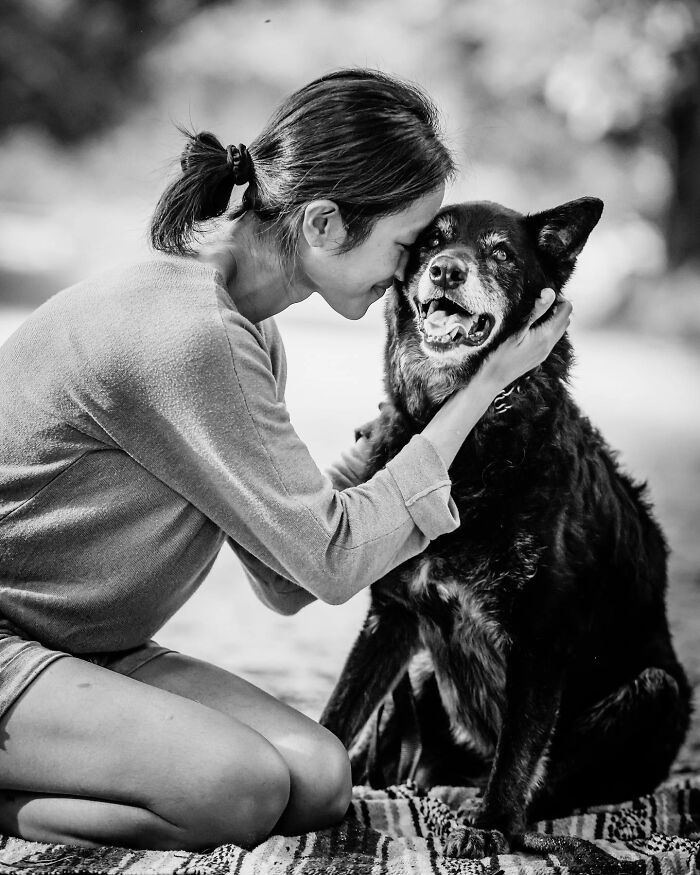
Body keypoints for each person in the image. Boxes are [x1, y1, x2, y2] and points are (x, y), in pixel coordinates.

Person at [0, 69, 571, 852]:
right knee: (244, 789)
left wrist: (386, 448)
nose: (411, 274)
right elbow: (334, 564)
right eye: (410, 245)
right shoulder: (193, 333)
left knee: (319, 777)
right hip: (10, 644)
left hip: (88, 647)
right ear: (326, 224)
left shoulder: (250, 329)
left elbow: (286, 577)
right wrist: (482, 388)